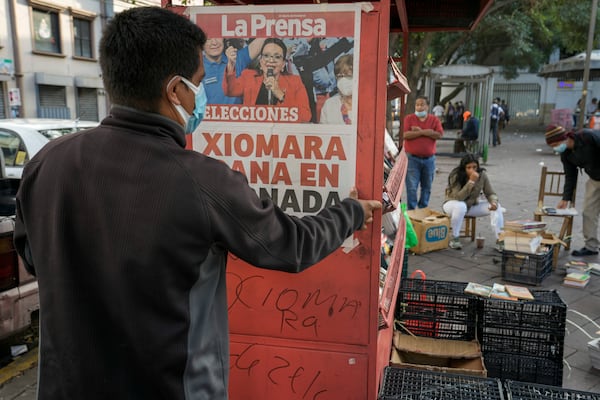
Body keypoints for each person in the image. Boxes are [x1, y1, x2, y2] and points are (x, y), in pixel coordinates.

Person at [13, 7, 382, 399]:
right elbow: (291, 245)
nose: (201, 95)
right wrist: (351, 212)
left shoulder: (46, 164)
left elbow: (34, 258)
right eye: (199, 83)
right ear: (175, 90)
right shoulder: (203, 181)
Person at [223, 38, 312, 122]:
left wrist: (280, 95)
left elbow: (305, 117)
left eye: (277, 57)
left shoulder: (295, 82)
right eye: (266, 56)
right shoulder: (249, 76)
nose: (271, 60)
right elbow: (230, 90)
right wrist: (231, 64)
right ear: (261, 62)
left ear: (283, 64)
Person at [544, 125, 600, 257]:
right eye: (553, 146)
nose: (556, 148)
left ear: (566, 138)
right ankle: (591, 247)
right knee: (588, 212)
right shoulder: (566, 154)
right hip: (595, 179)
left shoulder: (587, 137)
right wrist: (565, 198)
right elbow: (570, 176)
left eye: (557, 144)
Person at [442, 153, 505, 250]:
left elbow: (490, 193)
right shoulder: (456, 175)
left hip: (471, 206)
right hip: (452, 204)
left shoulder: (482, 175)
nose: (472, 170)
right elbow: (459, 197)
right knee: (461, 206)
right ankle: (455, 238)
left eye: (475, 167)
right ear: (464, 168)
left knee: (497, 207)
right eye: (469, 167)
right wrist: (470, 182)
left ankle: (500, 240)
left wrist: (493, 202)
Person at [402, 95, 444, 210]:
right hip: (412, 159)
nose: (419, 107)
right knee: (411, 187)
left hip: (429, 159)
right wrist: (427, 132)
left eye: (422, 104)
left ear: (427, 106)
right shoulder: (409, 119)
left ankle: (423, 209)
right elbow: (405, 135)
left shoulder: (434, 119)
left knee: (427, 186)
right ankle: (411, 210)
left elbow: (439, 134)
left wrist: (420, 131)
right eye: (417, 104)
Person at [202, 37, 264, 104]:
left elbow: (264, 37)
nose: (214, 43)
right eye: (208, 39)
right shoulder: (196, 68)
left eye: (218, 36)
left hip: (236, 113)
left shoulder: (236, 59)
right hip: (209, 114)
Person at [319, 54, 353, 124]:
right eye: (340, 76)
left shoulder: (367, 105)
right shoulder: (329, 105)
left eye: (348, 76)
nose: (343, 80)